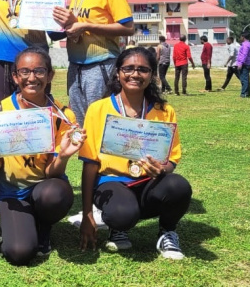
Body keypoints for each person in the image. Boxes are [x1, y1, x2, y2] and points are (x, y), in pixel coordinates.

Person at [78, 47, 192, 260]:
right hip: (111, 182)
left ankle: (167, 231)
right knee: (122, 213)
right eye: (128, 68)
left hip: (148, 182)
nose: (135, 74)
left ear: (152, 75)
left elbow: (172, 158)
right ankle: (118, 225)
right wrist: (86, 214)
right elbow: (90, 163)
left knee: (178, 186)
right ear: (118, 73)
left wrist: (162, 169)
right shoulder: (98, 109)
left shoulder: (164, 110)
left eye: (143, 70)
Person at [0, 47, 84, 265]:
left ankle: (44, 227)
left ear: (50, 75)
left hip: (45, 187)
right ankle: (25, 224)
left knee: (53, 195)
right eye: (24, 72)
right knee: (18, 252)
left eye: (39, 71)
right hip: (12, 192)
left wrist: (62, 156)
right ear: (15, 77)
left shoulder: (63, 116)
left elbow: (51, 171)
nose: (32, 78)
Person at [52, 0, 134, 126]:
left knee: (101, 123)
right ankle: (87, 158)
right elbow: (75, 28)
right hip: (76, 65)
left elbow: (128, 27)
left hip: (101, 65)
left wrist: (85, 25)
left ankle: (101, 159)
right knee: (82, 125)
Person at [236, 32, 250, 98]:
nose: (240, 38)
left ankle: (243, 94)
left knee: (244, 79)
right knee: (246, 79)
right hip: (247, 63)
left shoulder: (245, 45)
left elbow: (244, 55)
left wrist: (240, 63)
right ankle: (247, 93)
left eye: (241, 37)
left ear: (243, 37)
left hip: (244, 64)